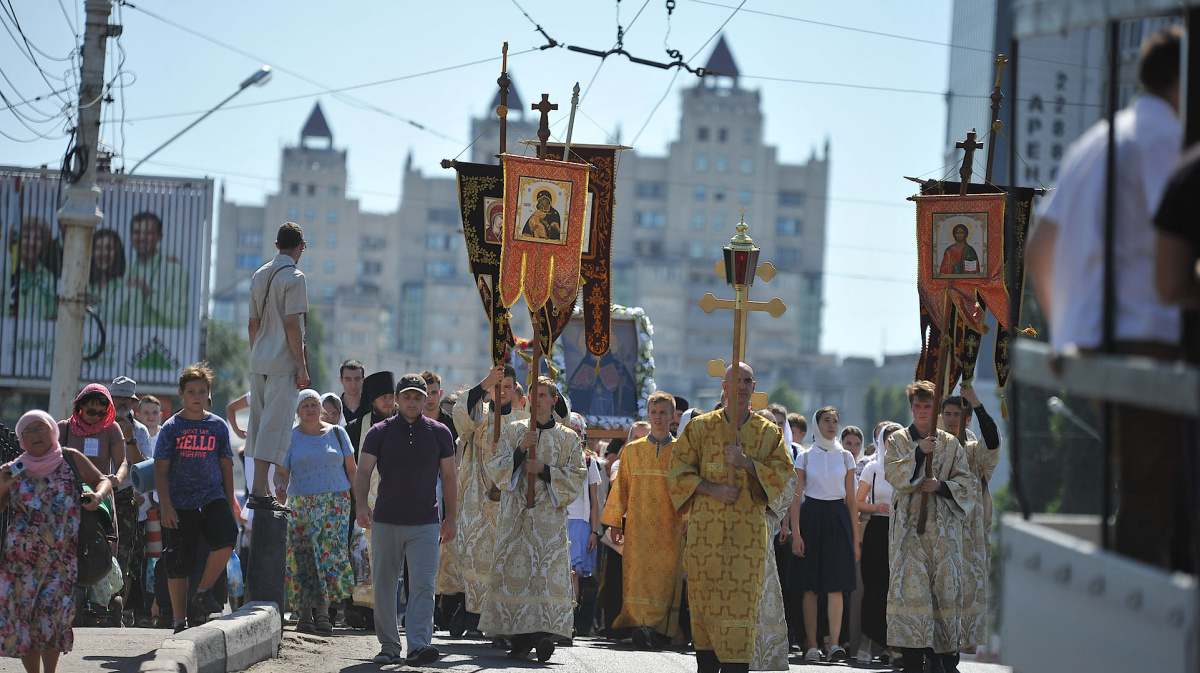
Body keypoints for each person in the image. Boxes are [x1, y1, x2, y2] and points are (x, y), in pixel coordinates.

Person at [1025, 26, 1184, 571]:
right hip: (1149, 337)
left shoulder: (1094, 140)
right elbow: (1178, 239)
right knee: (1158, 498)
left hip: (1092, 341)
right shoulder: (1166, 139)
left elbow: (1039, 248)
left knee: (1140, 485)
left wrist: (1064, 332)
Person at [668, 363, 793, 673]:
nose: (741, 386)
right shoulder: (699, 428)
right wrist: (712, 489)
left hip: (747, 542)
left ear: (754, 387)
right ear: (723, 386)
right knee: (705, 608)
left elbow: (783, 478)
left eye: (747, 380)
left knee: (741, 614)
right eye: (735, 381)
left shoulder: (769, 433)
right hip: (705, 540)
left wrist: (747, 463)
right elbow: (678, 472)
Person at [478, 376, 585, 662]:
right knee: (517, 574)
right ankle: (520, 637)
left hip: (549, 523)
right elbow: (497, 470)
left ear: (553, 400)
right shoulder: (514, 431)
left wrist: (545, 470)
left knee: (544, 579)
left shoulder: (568, 437)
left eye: (544, 395)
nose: (537, 400)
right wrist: (521, 449)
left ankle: (543, 635)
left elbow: (577, 476)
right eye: (534, 395)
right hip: (517, 518)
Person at [355, 374, 457, 666]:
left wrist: (451, 518)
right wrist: (362, 504)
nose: (412, 402)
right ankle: (389, 645)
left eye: (417, 397)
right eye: (407, 397)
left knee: (424, 585)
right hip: (386, 520)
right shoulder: (379, 431)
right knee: (385, 586)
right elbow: (363, 472)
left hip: (426, 522)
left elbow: (449, 477)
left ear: (426, 400)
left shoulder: (440, 433)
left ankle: (418, 645)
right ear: (397, 399)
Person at [0, 410, 113, 673]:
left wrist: (97, 497)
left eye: (40, 428)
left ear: (52, 431)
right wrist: (2, 484)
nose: (35, 435)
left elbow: (102, 481)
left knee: (52, 620)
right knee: (23, 623)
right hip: (19, 564)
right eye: (28, 431)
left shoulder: (71, 459)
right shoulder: (15, 469)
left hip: (60, 562)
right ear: (20, 439)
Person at [883, 381, 978, 673]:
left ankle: (943, 659)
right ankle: (912, 658)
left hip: (943, 533)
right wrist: (919, 454)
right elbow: (893, 473)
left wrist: (941, 486)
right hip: (910, 532)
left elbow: (968, 485)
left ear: (934, 409)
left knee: (943, 593)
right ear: (911, 407)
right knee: (911, 592)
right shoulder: (898, 439)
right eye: (918, 406)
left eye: (928, 406)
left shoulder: (950, 443)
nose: (923, 412)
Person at [439, 365, 528, 637]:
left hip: (510, 501)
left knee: (504, 562)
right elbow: (460, 416)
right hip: (478, 498)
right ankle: (470, 611)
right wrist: (484, 382)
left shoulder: (524, 421)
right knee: (475, 557)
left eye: (507, 387)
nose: (502, 392)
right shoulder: (479, 414)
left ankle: (485, 618)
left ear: (514, 390)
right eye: (497, 387)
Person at [153, 363, 239, 633]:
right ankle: (179, 621)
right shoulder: (171, 428)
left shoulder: (218, 426)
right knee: (179, 562)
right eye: (191, 392)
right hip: (179, 503)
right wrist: (165, 506)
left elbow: (226, 466)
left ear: (208, 394)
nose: (197, 396)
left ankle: (202, 592)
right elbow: (160, 470)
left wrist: (229, 501)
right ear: (182, 393)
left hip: (212, 497)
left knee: (227, 537)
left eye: (202, 391)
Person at [600, 391, 686, 648]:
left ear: (672, 417)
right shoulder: (633, 450)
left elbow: (687, 488)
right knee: (637, 579)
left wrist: (689, 520)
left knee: (665, 580)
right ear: (648, 415)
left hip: (671, 529)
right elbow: (621, 488)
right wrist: (615, 522)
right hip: (638, 529)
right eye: (654, 412)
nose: (658, 417)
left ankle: (658, 630)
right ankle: (639, 625)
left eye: (663, 413)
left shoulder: (682, 451)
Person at [275, 389, 357, 636]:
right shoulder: (289, 438)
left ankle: (322, 612)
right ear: (297, 411)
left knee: (327, 555)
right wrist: (280, 485)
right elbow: (281, 471)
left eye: (314, 404)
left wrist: (361, 502)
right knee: (304, 558)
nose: (310, 409)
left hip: (336, 503)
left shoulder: (337, 433)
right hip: (301, 504)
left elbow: (352, 471)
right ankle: (304, 615)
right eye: (305, 405)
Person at [246, 222, 309, 512]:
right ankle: (261, 490)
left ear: (276, 245)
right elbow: (292, 324)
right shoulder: (295, 278)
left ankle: (259, 488)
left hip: (259, 360)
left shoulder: (259, 274)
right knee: (274, 427)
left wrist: (257, 353)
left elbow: (252, 323)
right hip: (283, 363)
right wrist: (301, 365)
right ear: (301, 247)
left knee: (258, 424)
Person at [789, 407, 859, 663]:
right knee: (810, 586)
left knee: (837, 586)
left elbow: (851, 501)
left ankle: (835, 644)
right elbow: (796, 499)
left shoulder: (846, 458)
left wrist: (854, 540)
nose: (831, 425)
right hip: (812, 517)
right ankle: (811, 644)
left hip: (838, 518)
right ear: (817, 425)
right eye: (826, 421)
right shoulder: (805, 457)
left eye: (835, 421)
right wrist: (796, 534)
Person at [941, 385, 1001, 659]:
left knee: (961, 597)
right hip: (937, 536)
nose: (952, 419)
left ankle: (950, 657)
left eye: (958, 414)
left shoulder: (974, 452)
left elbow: (992, 442)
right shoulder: (934, 446)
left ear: (966, 419)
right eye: (948, 414)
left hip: (967, 540)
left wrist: (976, 403)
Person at [856, 421, 903, 666]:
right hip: (876, 529)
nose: (893, 444)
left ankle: (892, 647)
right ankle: (865, 643)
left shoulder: (909, 467)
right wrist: (876, 507)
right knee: (873, 589)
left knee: (895, 591)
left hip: (901, 533)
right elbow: (857, 502)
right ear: (881, 442)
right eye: (889, 439)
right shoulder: (872, 468)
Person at [108, 376, 152, 627]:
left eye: (128, 398)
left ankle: (119, 607)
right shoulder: (99, 425)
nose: (123, 402)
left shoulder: (141, 430)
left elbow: (143, 467)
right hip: (99, 495)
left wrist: (129, 436)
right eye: (119, 397)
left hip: (125, 498)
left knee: (124, 554)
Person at [121, 211, 190, 327]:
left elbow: (180, 321)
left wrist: (148, 295)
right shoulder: (121, 271)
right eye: (137, 232)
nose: (141, 238)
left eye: (148, 233)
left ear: (159, 237)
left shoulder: (177, 273)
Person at [7, 215, 58, 321]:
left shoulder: (48, 276)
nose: (31, 243)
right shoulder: (5, 273)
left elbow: (52, 316)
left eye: (38, 238)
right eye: (26, 237)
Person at [87, 228, 127, 324]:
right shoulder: (83, 288)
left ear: (117, 253)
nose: (102, 254)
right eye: (97, 248)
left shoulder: (128, 290)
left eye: (108, 249)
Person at [338, 360, 368, 426]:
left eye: (357, 379)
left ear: (363, 379)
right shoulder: (335, 409)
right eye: (348, 379)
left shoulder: (370, 408)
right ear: (341, 380)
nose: (353, 384)